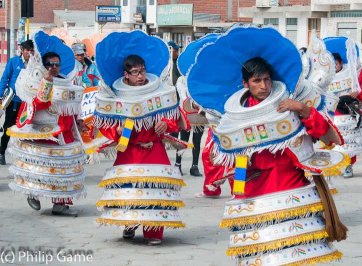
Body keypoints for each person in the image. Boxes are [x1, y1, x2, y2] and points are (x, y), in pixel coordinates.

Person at [187, 26, 347, 265]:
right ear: (245, 83)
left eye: (267, 79)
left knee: (298, 249)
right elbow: (230, 157)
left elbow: (330, 139)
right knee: (260, 255)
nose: (264, 86)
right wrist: (233, 180)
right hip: (254, 192)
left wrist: (303, 110)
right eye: (256, 81)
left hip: (291, 184)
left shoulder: (292, 103)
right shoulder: (231, 116)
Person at [95, 31, 188, 246]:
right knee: (128, 189)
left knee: (156, 189)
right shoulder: (116, 96)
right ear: (125, 75)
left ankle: (154, 232)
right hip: (130, 149)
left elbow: (174, 117)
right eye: (135, 72)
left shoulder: (160, 91)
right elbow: (105, 123)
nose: (141, 76)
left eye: (143, 71)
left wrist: (167, 124)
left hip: (154, 148)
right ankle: (129, 223)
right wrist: (116, 132)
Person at [7, 32, 86, 216]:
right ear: (44, 64)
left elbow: (71, 106)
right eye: (50, 64)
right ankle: (32, 192)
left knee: (64, 169)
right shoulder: (34, 81)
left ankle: (61, 203)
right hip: (41, 131)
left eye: (57, 64)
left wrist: (78, 121)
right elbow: (38, 102)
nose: (54, 67)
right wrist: (47, 82)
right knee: (39, 166)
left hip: (63, 131)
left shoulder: (66, 82)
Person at [326, 37, 362, 178]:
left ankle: (348, 166)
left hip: (348, 113)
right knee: (335, 142)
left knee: (349, 142)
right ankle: (335, 164)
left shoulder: (351, 73)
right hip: (332, 114)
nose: (335, 67)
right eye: (331, 65)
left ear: (341, 62)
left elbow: (361, 88)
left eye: (336, 63)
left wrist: (354, 94)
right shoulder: (326, 78)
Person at [169, 40, 204, 177]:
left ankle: (194, 166)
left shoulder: (200, 80)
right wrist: (191, 105)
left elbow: (203, 96)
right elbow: (183, 96)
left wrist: (200, 106)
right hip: (185, 113)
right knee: (183, 140)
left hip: (200, 114)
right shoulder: (181, 80)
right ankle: (178, 165)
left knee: (197, 140)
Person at [0, 40, 34, 165]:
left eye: (31, 51)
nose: (29, 53)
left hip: (27, 103)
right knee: (8, 127)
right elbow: (4, 79)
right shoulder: (14, 62)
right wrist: (0, 96)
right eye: (27, 50)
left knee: (26, 129)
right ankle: (1, 152)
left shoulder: (34, 64)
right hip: (13, 100)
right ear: (22, 50)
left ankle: (24, 156)